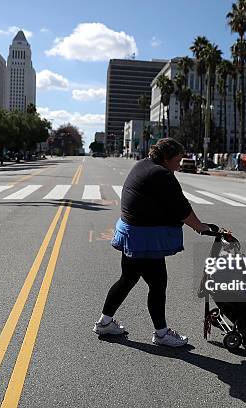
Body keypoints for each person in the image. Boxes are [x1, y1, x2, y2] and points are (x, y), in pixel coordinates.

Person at [93, 138, 211, 347]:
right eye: (177, 160)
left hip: (131, 232)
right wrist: (199, 226)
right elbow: (181, 208)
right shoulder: (161, 174)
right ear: (166, 158)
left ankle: (104, 322)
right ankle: (162, 334)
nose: (179, 165)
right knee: (157, 284)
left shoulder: (143, 165)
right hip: (143, 238)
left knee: (128, 279)